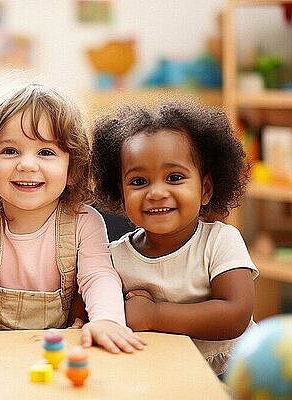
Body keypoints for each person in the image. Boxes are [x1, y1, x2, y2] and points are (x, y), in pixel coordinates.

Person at [0, 83, 145, 353]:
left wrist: (108, 319)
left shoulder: (84, 222)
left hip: (57, 356)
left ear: (73, 170)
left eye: (46, 152)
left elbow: (99, 276)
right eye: (10, 151)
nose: (27, 165)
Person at [90, 101, 258, 376]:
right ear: (120, 195)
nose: (156, 192)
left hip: (231, 373)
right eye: (139, 182)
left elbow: (234, 315)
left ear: (205, 189)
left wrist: (152, 314)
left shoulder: (220, 240)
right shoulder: (114, 257)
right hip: (158, 372)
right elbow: (89, 309)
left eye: (175, 177)